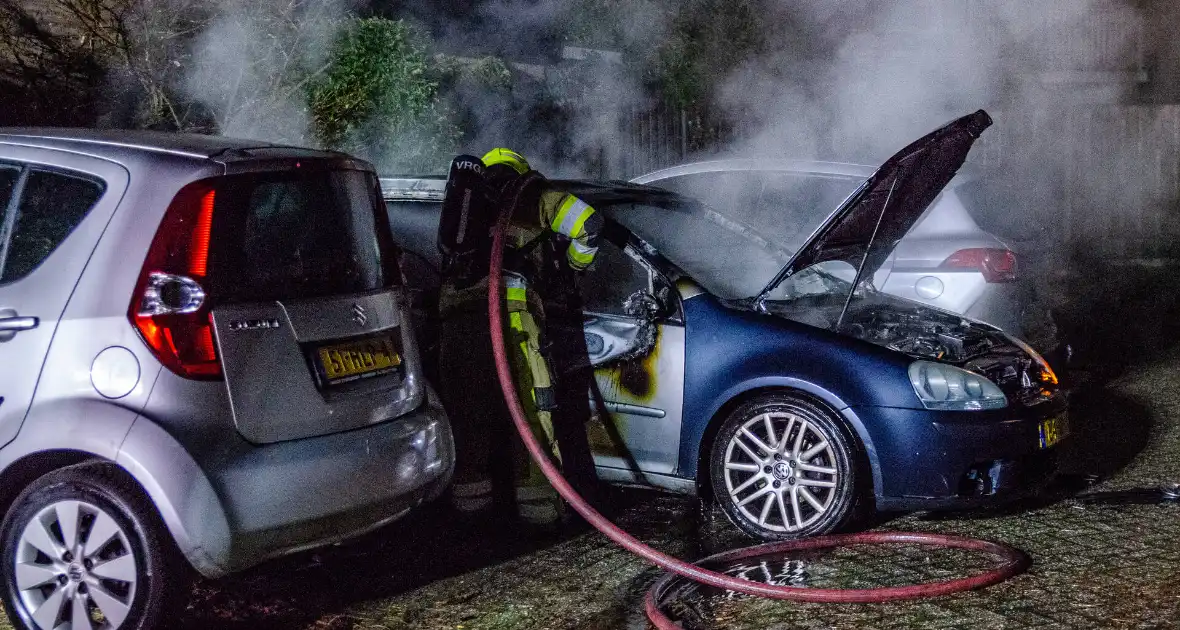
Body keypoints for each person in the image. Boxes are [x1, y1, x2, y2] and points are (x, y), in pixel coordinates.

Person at [436, 148, 602, 527]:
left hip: (457, 321)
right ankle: (539, 515)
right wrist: (575, 268)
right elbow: (590, 226)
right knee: (531, 411)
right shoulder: (533, 194)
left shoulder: (464, 204)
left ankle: (471, 518)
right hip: (511, 319)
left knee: (468, 417)